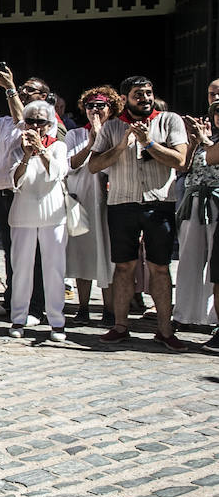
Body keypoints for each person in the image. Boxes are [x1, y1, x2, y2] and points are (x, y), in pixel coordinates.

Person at [88, 76, 190, 349]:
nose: (145, 98)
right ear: (124, 99)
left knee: (160, 267)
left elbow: (180, 161)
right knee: (123, 267)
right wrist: (121, 146)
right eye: (138, 94)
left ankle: (165, 330)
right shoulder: (112, 126)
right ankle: (120, 326)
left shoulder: (169, 120)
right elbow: (94, 166)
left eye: (148, 92)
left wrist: (149, 143)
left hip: (159, 203)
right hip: (122, 203)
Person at [0, 69, 49, 322]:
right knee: (11, 251)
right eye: (22, 88)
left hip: (26, 193)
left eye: (29, 89)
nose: (23, 92)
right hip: (2, 193)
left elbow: (23, 122)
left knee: (31, 253)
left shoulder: (44, 121)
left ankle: (35, 307)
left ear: (43, 96)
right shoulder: (5, 121)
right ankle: (12, 301)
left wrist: (11, 88)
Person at [7, 100, 69, 341]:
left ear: (49, 124)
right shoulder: (17, 147)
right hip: (23, 214)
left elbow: (58, 173)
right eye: (30, 121)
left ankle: (57, 322)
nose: (34, 126)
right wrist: (26, 154)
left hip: (52, 214)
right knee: (21, 269)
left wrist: (41, 149)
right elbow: (14, 180)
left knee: (54, 269)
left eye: (40, 121)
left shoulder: (58, 146)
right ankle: (18, 318)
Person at [65, 87, 119, 325]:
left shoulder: (118, 131)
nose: (95, 110)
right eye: (90, 106)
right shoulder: (75, 134)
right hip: (81, 199)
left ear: (111, 108)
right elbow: (70, 165)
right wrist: (90, 143)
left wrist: (102, 137)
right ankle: (83, 307)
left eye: (100, 105)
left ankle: (109, 309)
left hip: (107, 201)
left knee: (108, 254)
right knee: (82, 253)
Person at [181, 102, 219, 333]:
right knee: (188, 257)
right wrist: (194, 142)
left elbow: (214, 157)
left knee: (215, 265)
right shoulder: (205, 138)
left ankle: (212, 316)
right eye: (216, 111)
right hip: (194, 198)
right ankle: (185, 313)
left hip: (216, 200)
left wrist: (204, 140)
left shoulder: (211, 141)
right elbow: (184, 166)